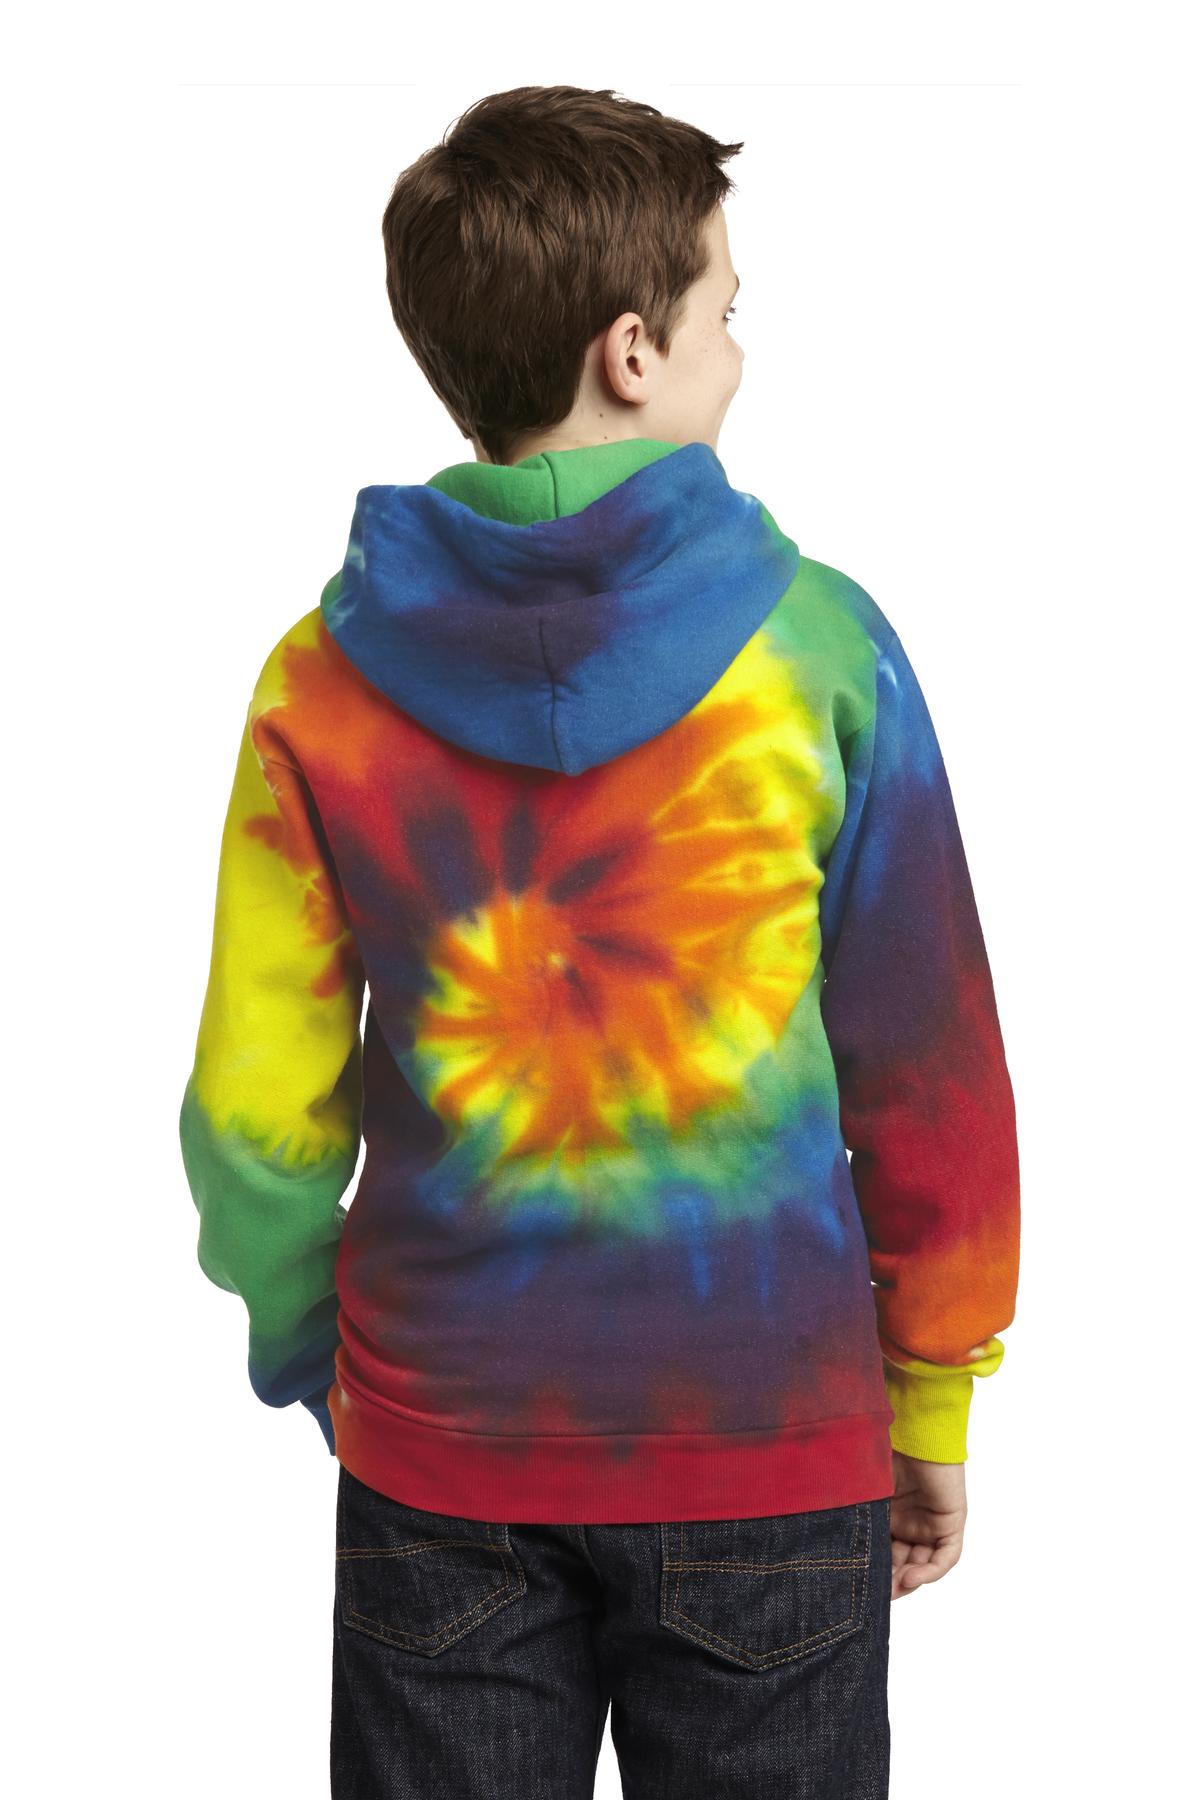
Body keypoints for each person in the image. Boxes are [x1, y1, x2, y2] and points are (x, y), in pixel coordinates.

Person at [179, 83, 1020, 1800]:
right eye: (727, 313)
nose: (738, 353)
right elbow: (932, 1077)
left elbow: (254, 1116)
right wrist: (931, 1391)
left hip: (440, 1444)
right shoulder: (820, 654)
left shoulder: (318, 684)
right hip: (769, 1437)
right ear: (633, 352)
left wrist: (318, 1358)